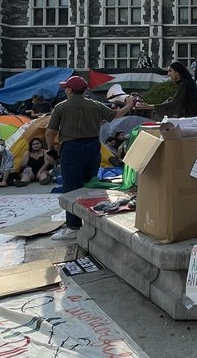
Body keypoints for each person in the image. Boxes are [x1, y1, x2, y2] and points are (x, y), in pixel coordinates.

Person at [46, 75, 140, 241]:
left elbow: (49, 131)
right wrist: (129, 104)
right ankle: (93, 223)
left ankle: (73, 226)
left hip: (72, 148)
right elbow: (117, 115)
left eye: (65, 88)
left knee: (72, 187)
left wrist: (51, 148)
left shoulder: (61, 107)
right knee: (91, 185)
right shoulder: (95, 105)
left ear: (69, 89)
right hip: (93, 147)